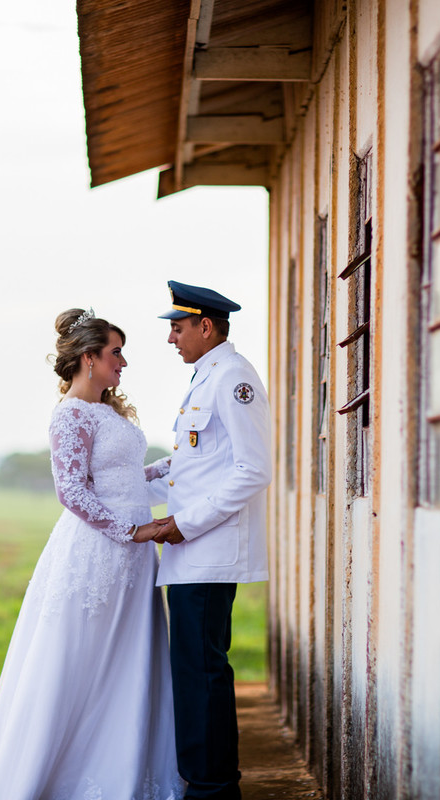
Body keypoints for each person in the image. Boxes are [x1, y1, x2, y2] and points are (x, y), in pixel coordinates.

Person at [0, 308, 184, 800]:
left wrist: (184, 463)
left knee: (128, 663)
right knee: (80, 663)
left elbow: (129, 479)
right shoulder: (69, 415)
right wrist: (135, 530)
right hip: (98, 555)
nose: (123, 362)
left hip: (134, 556)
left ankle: (123, 768)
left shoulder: (109, 412)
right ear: (89, 358)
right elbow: (71, 491)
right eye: (115, 352)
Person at [145, 281, 273, 800]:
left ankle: (213, 788)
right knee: (196, 673)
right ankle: (207, 781)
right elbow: (196, 465)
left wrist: (184, 524)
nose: (171, 338)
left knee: (202, 675)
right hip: (192, 556)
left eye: (177, 327)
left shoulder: (233, 378)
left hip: (208, 554)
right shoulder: (208, 376)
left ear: (206, 325)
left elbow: (253, 469)